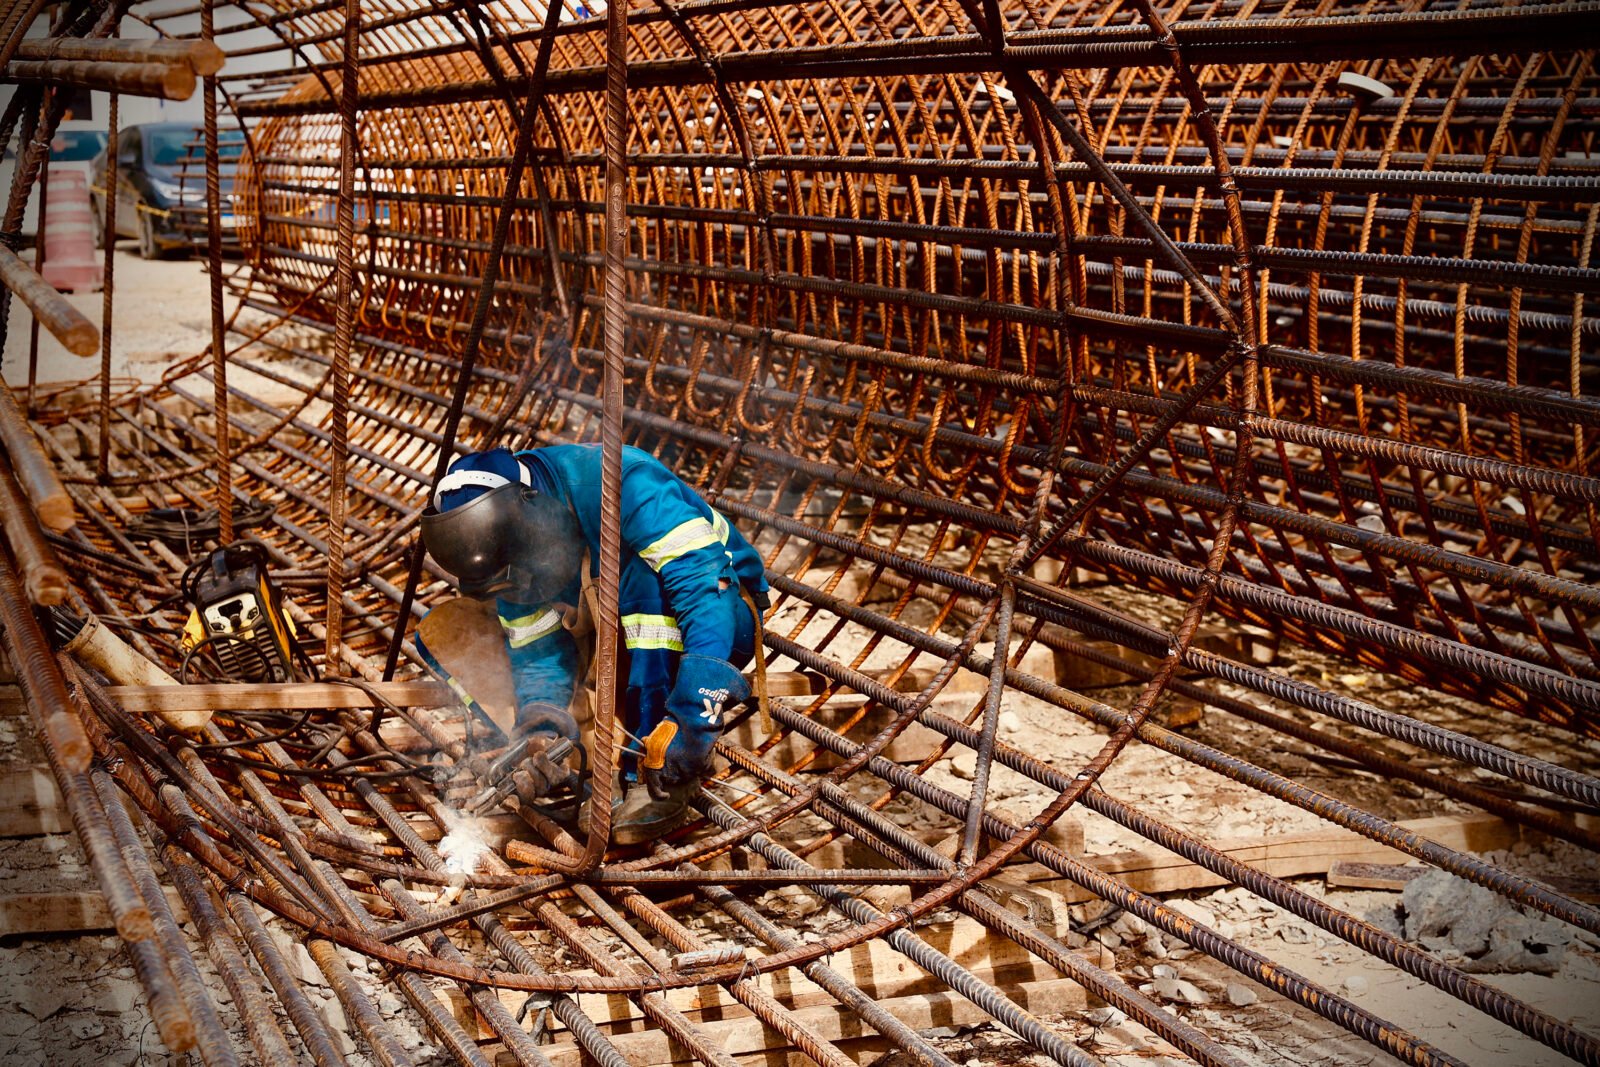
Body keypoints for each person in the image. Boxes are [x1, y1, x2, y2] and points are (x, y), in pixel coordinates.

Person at [415, 444, 769, 843]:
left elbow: (704, 589)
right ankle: (588, 749)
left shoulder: (622, 482)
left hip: (719, 620)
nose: (518, 584)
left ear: (530, 508)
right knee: (447, 630)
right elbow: (536, 646)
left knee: (642, 575)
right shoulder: (513, 535)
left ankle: (655, 769)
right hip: (610, 632)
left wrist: (695, 709)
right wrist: (541, 720)